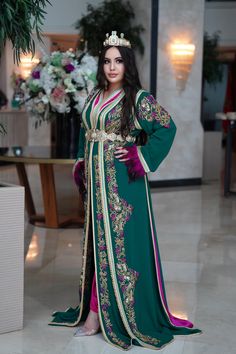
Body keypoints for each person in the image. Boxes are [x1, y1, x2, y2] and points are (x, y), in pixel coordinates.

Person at [50, 31, 201, 350]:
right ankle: (96, 309)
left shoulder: (138, 98)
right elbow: (86, 133)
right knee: (97, 245)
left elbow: (166, 128)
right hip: (97, 186)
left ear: (127, 64)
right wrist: (81, 163)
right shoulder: (94, 96)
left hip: (123, 187)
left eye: (118, 61)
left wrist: (139, 155)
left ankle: (98, 314)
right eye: (106, 61)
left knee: (119, 248)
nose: (111, 67)